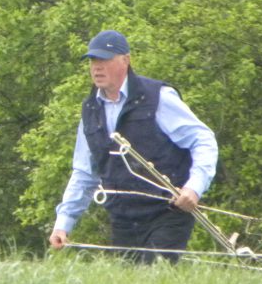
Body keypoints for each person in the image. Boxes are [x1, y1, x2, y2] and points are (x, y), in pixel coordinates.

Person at [48, 30, 218, 263]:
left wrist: (194, 188)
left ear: (125, 61)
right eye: (93, 61)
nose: (97, 67)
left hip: (168, 212)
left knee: (155, 279)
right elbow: (85, 172)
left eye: (105, 60)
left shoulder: (158, 97)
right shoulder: (90, 111)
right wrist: (63, 223)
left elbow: (203, 139)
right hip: (123, 218)